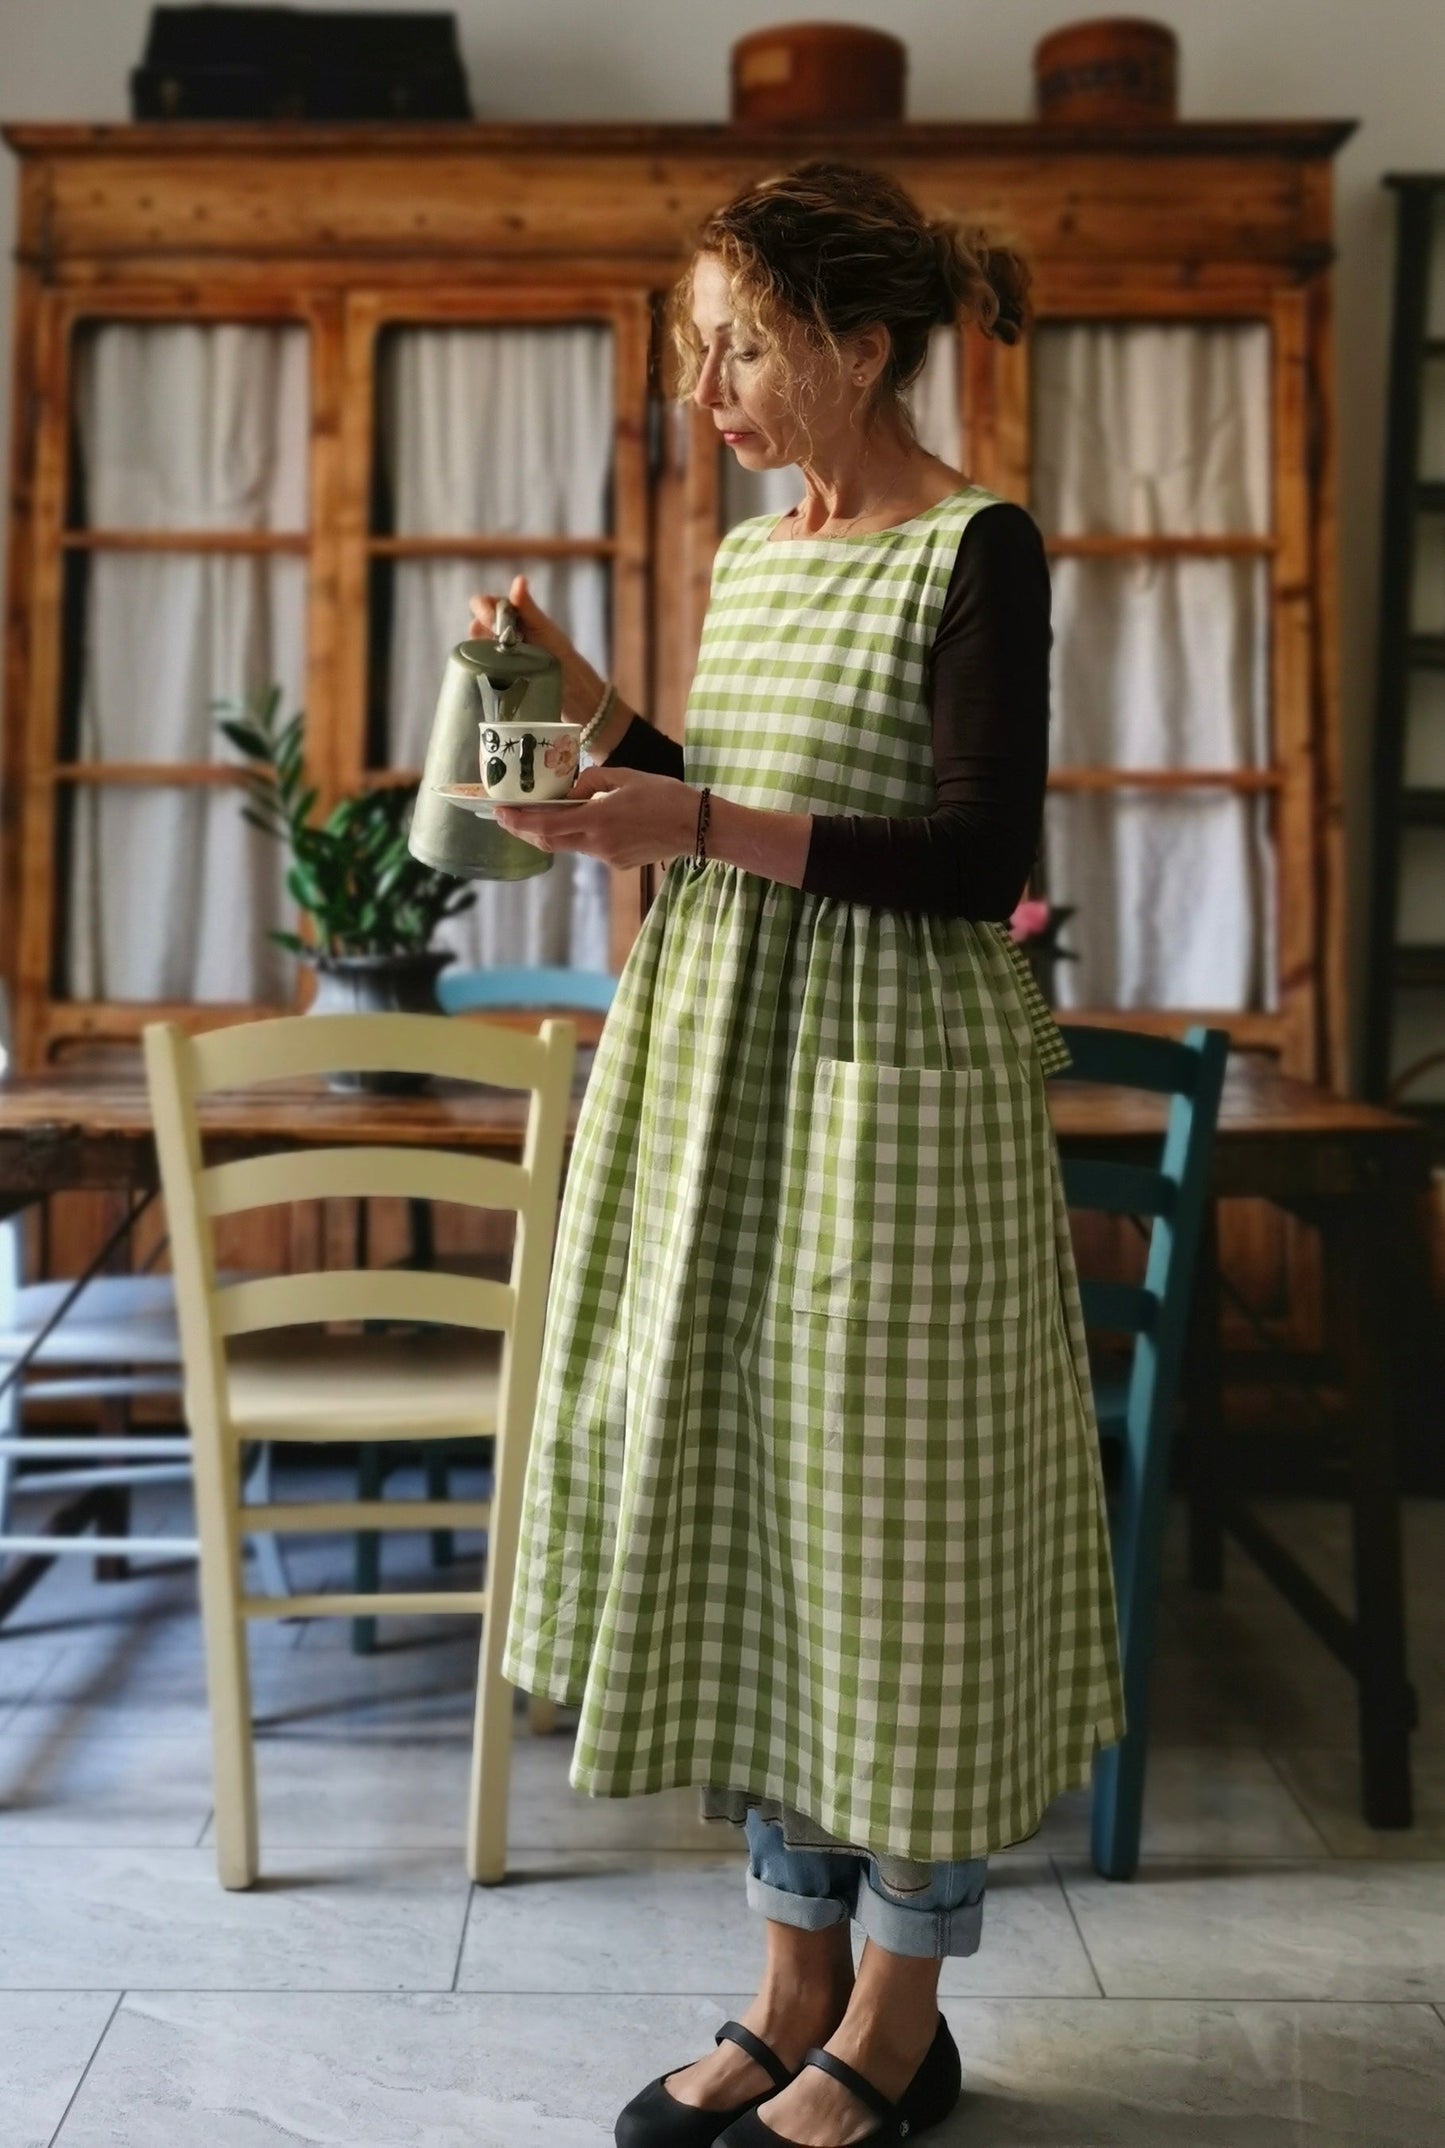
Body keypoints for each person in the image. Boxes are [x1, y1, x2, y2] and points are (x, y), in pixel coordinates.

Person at [470, 159, 1125, 2148]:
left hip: (896, 1116)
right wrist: (592, 713)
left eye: (740, 344)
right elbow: (733, 794)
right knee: (763, 1525)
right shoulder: (759, 554)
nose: (710, 387)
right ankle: (790, 1988)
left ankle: (900, 2027)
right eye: (700, 349)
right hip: (729, 1099)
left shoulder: (979, 547)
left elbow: (972, 856)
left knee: (896, 1555)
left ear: (856, 342)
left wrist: (698, 833)